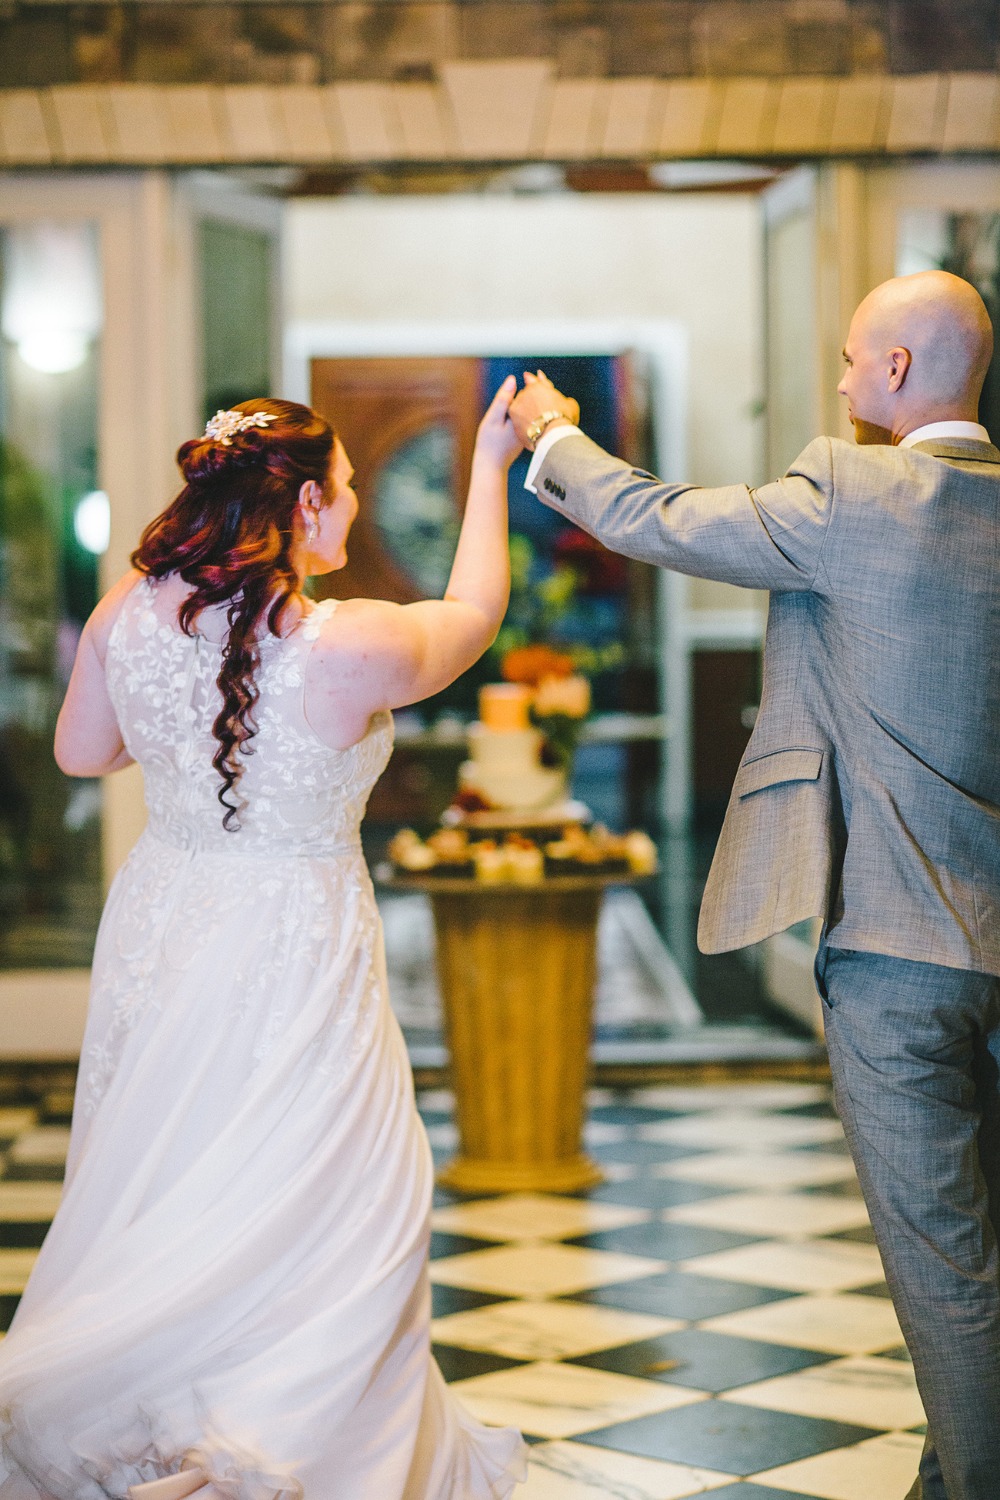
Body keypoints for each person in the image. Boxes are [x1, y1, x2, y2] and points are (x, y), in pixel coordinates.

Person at [508, 270, 1000, 1500]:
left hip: (897, 951)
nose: (838, 382)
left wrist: (551, 434)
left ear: (893, 372)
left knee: (947, 1278)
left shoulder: (853, 489)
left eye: (848, 359)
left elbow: (654, 516)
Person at [0, 383, 528, 1500]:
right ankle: (268, 1443)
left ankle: (170, 1430)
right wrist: (492, 464)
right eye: (340, 489)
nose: (346, 511)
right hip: (296, 940)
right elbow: (475, 617)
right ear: (299, 502)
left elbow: (80, 756)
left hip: (168, 924)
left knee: (167, 1172)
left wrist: (181, 729)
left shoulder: (120, 617)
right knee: (330, 1193)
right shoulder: (352, 644)